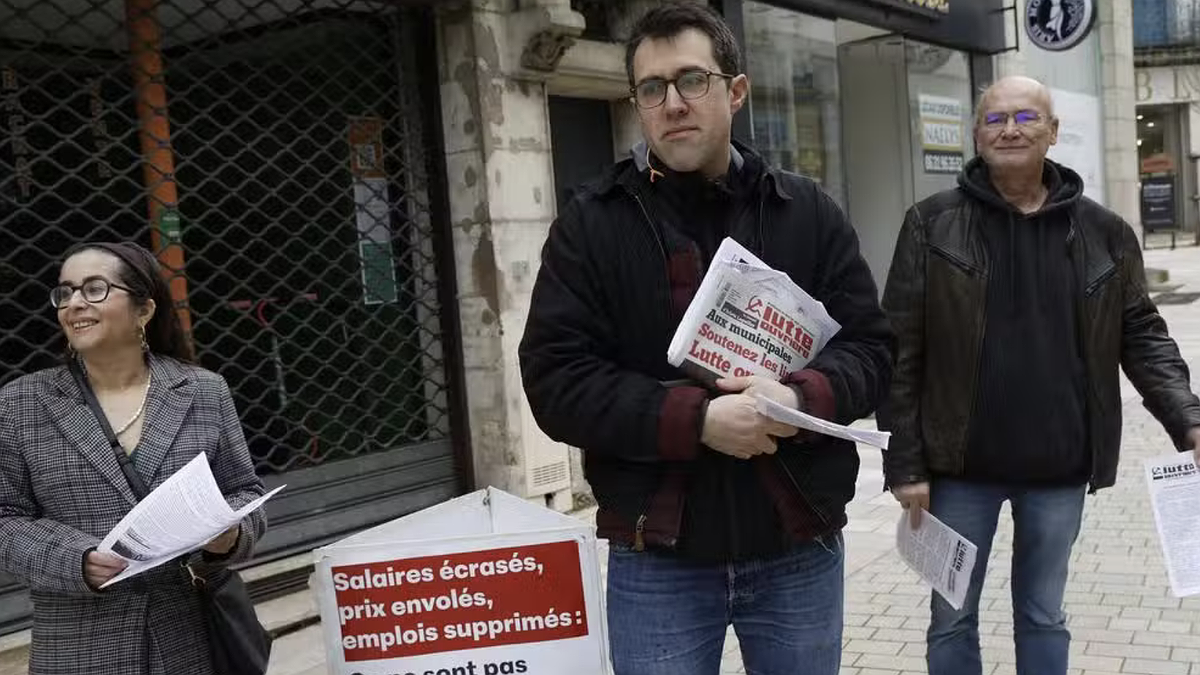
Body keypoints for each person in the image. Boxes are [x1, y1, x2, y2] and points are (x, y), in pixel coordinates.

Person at [518, 3, 893, 674]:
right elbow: (556, 380)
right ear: (636, 102)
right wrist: (698, 420)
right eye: (652, 88)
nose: (673, 104)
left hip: (795, 546)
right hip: (657, 556)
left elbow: (872, 350)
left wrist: (797, 399)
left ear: (735, 91)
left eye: (692, 80)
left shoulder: (806, 211)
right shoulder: (590, 224)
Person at [880, 76, 1200, 675]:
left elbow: (1144, 337)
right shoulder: (931, 224)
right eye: (996, 119)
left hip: (1059, 470)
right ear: (977, 135)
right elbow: (900, 352)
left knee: (1043, 614)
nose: (1010, 129)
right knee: (951, 618)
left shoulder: (1105, 233)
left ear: (1052, 133)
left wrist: (1189, 418)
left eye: (1026, 117)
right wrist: (905, 464)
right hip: (956, 474)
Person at [0, 241, 268, 675]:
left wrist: (230, 536)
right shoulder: (20, 403)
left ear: (143, 310)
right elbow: (5, 519)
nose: (74, 304)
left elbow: (244, 492)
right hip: (79, 645)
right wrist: (77, 560)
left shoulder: (203, 390)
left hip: (188, 638)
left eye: (94, 289)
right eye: (65, 293)